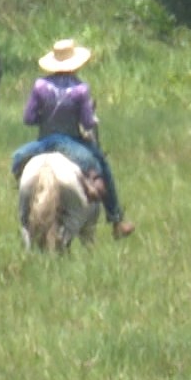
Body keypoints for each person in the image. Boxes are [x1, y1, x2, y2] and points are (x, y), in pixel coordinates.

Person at [9, 38, 135, 238]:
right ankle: (116, 218)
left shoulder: (40, 86)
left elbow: (29, 118)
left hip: (43, 143)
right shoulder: (80, 89)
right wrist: (90, 117)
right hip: (71, 142)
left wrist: (45, 115)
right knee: (101, 164)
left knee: (17, 160)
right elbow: (87, 123)